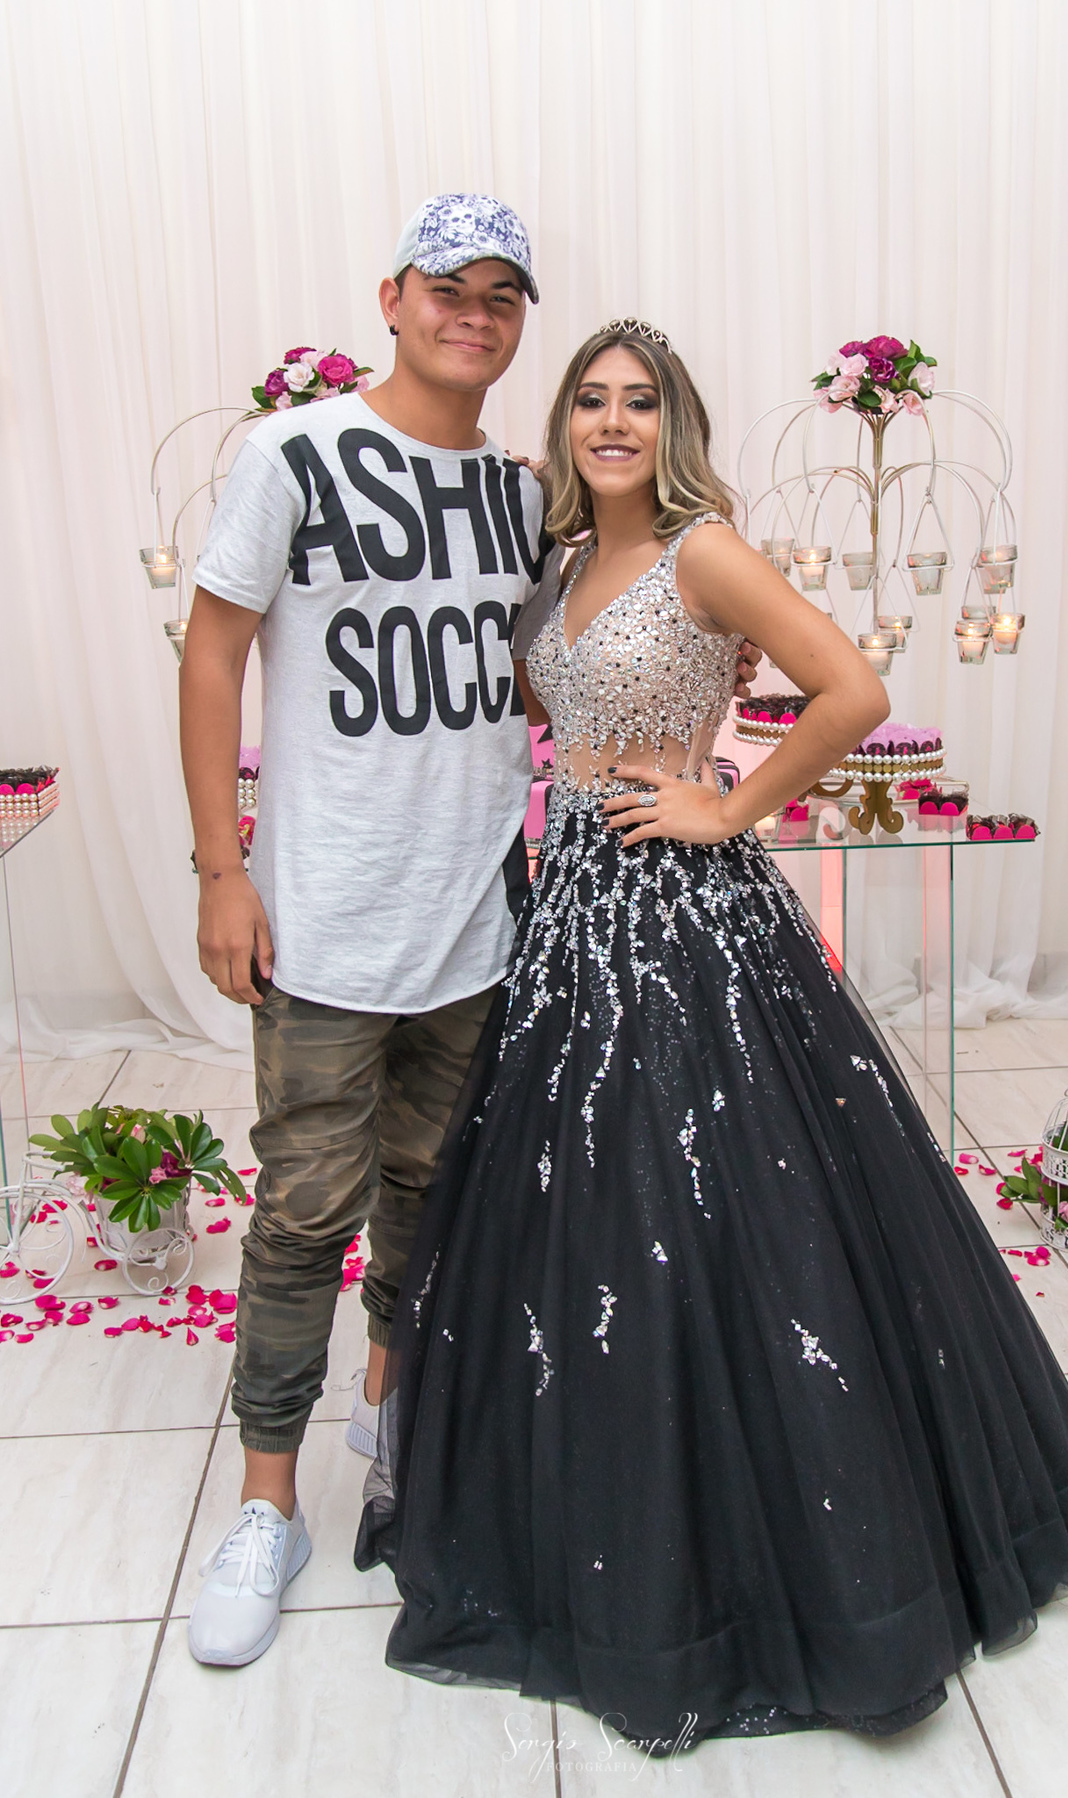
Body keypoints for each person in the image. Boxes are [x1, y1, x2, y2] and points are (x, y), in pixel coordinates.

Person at [356, 319, 1068, 1750]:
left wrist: (725, 802)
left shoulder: (701, 550)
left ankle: (784, 1559)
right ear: (562, 424)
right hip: (570, 904)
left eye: (640, 402)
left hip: (686, 916)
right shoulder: (556, 565)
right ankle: (598, 1508)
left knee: (715, 1197)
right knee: (588, 1207)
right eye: (590, 400)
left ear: (674, 425)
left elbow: (854, 690)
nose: (612, 422)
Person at [179, 202, 761, 1669]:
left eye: (504, 296)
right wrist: (219, 869)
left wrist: (713, 717)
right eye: (451, 287)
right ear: (393, 296)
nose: (476, 314)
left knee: (435, 1209)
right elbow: (214, 647)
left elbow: (617, 634)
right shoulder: (293, 452)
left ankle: (394, 1428)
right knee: (304, 1213)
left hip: (490, 925)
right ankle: (264, 1507)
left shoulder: (527, 499)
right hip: (322, 917)